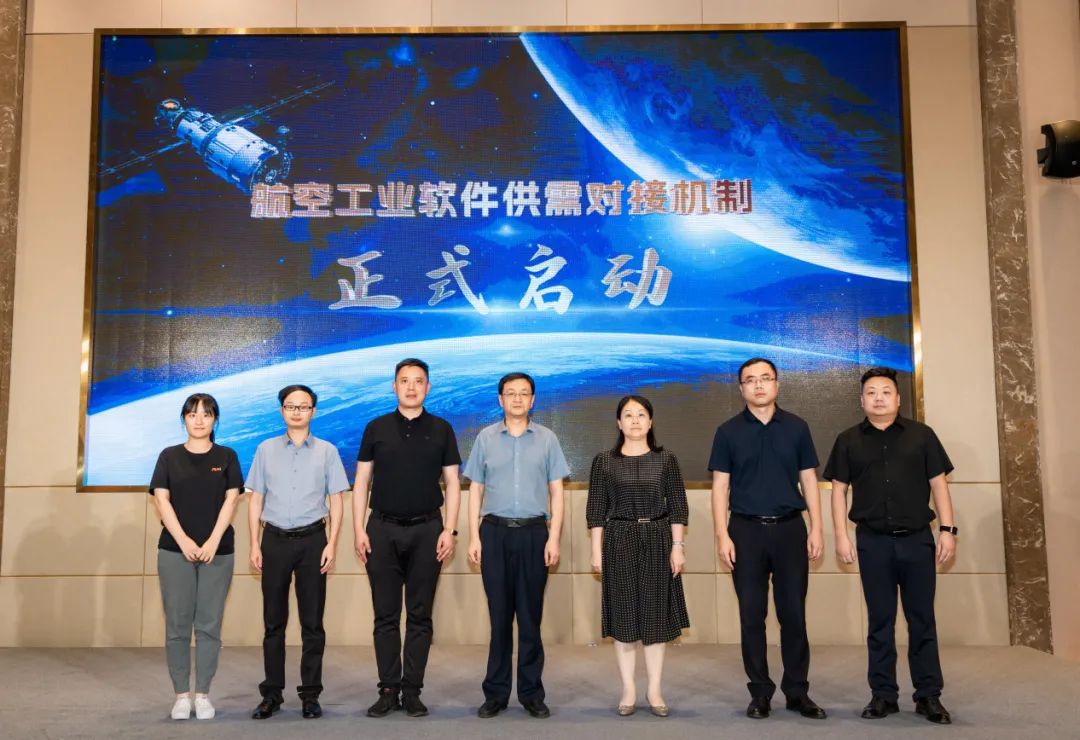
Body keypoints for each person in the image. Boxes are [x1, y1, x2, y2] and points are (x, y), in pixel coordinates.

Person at [825, 367, 957, 725]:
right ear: (861, 400)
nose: (879, 398)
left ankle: (929, 696)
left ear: (898, 399)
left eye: (886, 391)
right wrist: (840, 535)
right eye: (871, 392)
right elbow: (838, 491)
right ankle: (883, 696)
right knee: (880, 622)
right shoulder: (848, 440)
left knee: (922, 620)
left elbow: (939, 484)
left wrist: (948, 530)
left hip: (917, 541)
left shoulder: (922, 436)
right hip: (873, 542)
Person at [709, 357, 827, 720]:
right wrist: (722, 535)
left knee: (794, 615)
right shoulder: (727, 432)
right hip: (745, 532)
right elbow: (720, 487)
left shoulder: (797, 427)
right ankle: (760, 692)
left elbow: (808, 480)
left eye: (765, 378)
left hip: (791, 529)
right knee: (751, 616)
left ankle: (797, 692)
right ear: (741, 388)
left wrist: (817, 527)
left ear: (777, 384)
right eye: (751, 380)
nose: (758, 385)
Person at [353, 358, 462, 718]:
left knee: (420, 615)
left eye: (418, 381)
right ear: (394, 386)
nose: (411, 387)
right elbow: (361, 482)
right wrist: (358, 529)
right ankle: (388, 690)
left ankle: (412, 690)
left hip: (428, 530)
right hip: (381, 530)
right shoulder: (376, 428)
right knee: (385, 615)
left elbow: (453, 483)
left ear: (428, 387)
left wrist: (450, 529)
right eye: (404, 380)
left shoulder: (442, 429)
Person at [464, 372, 569, 720]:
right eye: (511, 393)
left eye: (524, 393)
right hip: (494, 534)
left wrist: (554, 537)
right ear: (500, 400)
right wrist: (474, 536)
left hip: (534, 534)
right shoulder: (485, 438)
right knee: (499, 620)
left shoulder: (548, 439)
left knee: (529, 618)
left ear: (533, 400)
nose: (518, 399)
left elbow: (557, 492)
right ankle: (495, 694)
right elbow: (475, 490)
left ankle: (531, 693)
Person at [246, 384, 348, 720]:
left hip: (313, 541)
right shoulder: (265, 449)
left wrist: (332, 543)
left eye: (303, 406)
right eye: (291, 406)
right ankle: (271, 694)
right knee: (273, 622)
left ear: (313, 411)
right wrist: (254, 543)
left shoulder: (328, 451)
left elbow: (337, 500)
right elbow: (256, 499)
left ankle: (310, 695)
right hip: (273, 540)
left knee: (312, 623)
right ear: (282, 411)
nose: (297, 411)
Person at [587, 395, 689, 718]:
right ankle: (628, 689)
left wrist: (677, 546)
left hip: (658, 538)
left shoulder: (666, 459)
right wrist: (596, 551)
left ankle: (654, 689)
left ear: (651, 421)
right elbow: (596, 510)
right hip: (619, 539)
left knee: (655, 618)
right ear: (619, 423)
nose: (635, 420)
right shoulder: (604, 461)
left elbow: (678, 506)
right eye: (628, 415)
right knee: (624, 618)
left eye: (641, 414)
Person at [150, 393, 243, 720]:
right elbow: (162, 500)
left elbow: (231, 500)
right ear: (184, 419)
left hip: (219, 551)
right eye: (192, 414)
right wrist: (184, 540)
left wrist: (213, 541)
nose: (199, 420)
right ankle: (180, 695)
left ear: (215, 419)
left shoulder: (227, 456)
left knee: (209, 625)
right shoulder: (169, 456)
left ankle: (202, 694)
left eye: (206, 414)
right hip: (174, 551)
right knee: (177, 625)